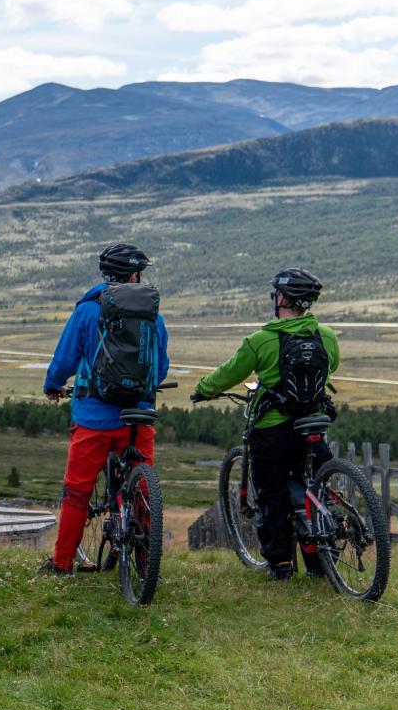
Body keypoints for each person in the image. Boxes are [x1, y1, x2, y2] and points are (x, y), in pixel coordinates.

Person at [192, 269, 339, 580]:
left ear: (282, 298)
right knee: (317, 491)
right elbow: (331, 366)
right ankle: (322, 562)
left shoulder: (261, 340)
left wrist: (203, 389)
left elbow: (229, 373)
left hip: (273, 430)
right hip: (313, 426)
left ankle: (281, 564)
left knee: (271, 495)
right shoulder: (326, 336)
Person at [39, 243, 171, 574]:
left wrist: (52, 385)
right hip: (137, 419)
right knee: (142, 490)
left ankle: (62, 563)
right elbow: (161, 368)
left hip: (94, 418)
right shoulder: (153, 316)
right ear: (135, 275)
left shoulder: (86, 311)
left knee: (78, 492)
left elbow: (65, 360)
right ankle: (144, 564)